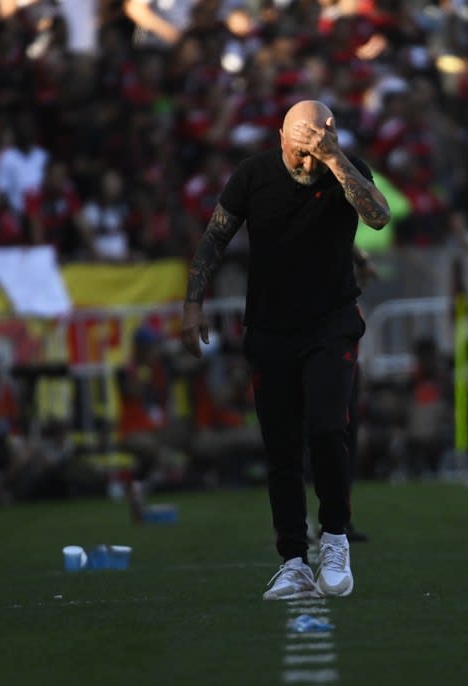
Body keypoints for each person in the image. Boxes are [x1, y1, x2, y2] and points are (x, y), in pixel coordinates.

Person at [180, 99, 389, 600]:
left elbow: (378, 217)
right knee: (280, 446)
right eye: (296, 150)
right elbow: (215, 237)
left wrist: (335, 160)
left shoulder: (345, 169)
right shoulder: (253, 175)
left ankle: (335, 537)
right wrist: (193, 301)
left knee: (326, 426)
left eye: (311, 149)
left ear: (329, 135)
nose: (303, 162)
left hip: (331, 323)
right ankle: (293, 560)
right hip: (270, 328)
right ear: (280, 138)